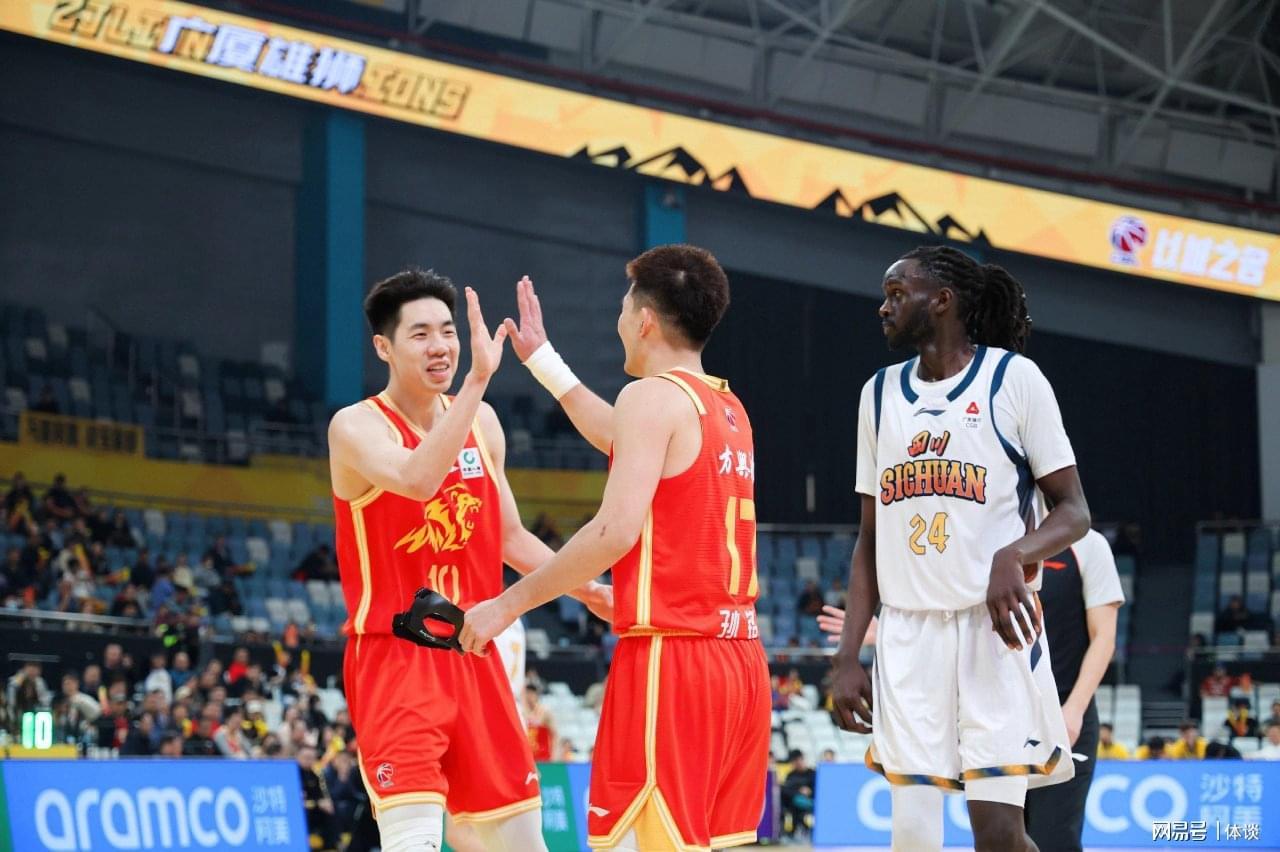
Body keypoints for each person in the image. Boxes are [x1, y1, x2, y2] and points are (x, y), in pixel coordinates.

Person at [460, 248, 772, 851]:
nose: (618, 321)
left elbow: (614, 532)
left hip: (672, 661)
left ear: (646, 320)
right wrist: (544, 361)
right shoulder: (727, 406)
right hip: (739, 663)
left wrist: (507, 605)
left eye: (624, 308)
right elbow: (620, 438)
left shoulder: (651, 396)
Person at [327, 269, 609, 851]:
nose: (440, 346)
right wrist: (480, 377)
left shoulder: (483, 422)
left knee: (524, 844)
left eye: (448, 331)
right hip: (397, 659)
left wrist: (587, 589)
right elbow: (417, 478)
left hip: (475, 655)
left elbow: (508, 536)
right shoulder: (355, 426)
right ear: (383, 347)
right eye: (420, 334)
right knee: (414, 842)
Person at [829, 246, 1088, 852]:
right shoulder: (878, 395)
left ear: (942, 301)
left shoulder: (1013, 380)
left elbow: (1074, 510)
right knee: (912, 834)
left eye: (897, 294)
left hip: (993, 633)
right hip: (908, 634)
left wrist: (1012, 555)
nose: (883, 307)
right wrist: (847, 656)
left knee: (997, 834)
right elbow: (870, 538)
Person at [1023, 529, 1125, 851]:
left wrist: (1074, 710)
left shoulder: (1088, 544)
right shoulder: (993, 533)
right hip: (1001, 720)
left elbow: (1104, 637)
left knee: (1053, 839)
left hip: (1066, 718)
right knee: (999, 838)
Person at [780, 750, 816, 840]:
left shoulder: (813, 774)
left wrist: (810, 791)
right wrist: (799, 791)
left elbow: (819, 790)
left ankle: (804, 831)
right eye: (794, 761)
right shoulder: (791, 775)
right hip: (793, 802)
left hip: (810, 801)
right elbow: (786, 790)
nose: (797, 763)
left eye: (799, 760)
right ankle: (792, 832)